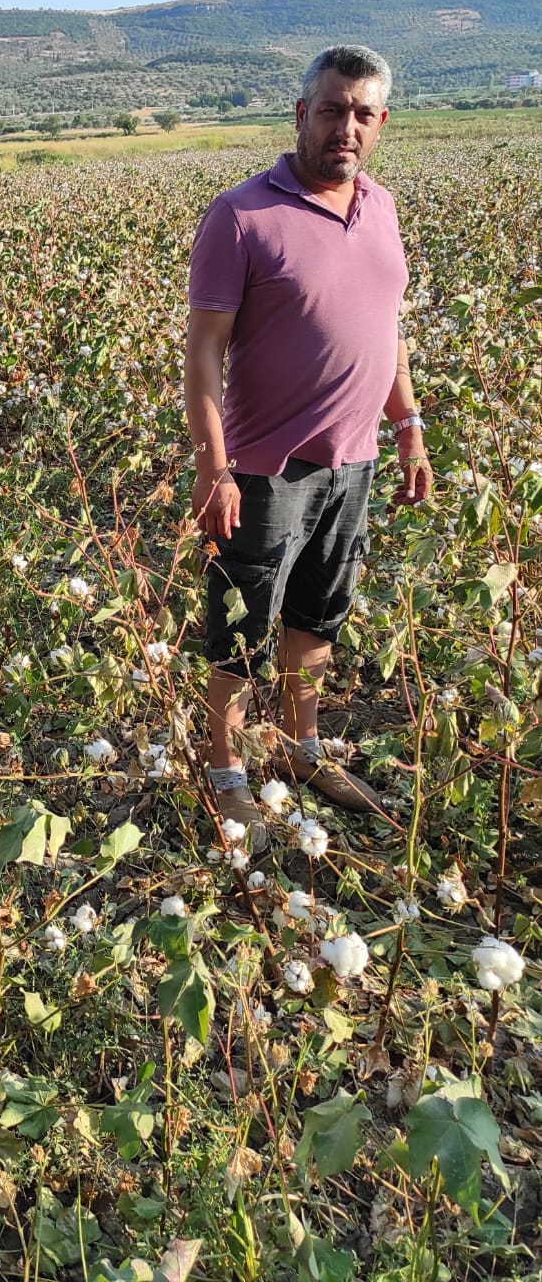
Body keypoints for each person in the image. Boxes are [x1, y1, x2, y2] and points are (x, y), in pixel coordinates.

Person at [184, 44, 431, 849]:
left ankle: (298, 748)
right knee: (239, 626)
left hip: (352, 458)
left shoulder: (383, 207)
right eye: (330, 110)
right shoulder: (241, 214)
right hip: (262, 470)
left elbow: (385, 331)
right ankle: (223, 771)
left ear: (380, 122)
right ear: (300, 115)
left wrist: (408, 427)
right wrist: (213, 466)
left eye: (361, 114)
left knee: (318, 612)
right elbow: (203, 352)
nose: (345, 128)